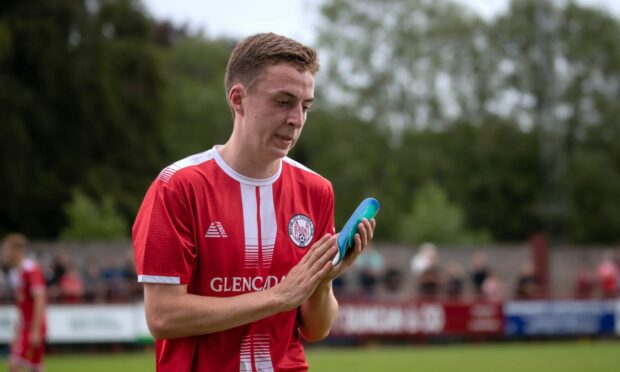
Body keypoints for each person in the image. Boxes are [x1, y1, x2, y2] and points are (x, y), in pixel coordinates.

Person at [132, 33, 376, 371]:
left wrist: (321, 281)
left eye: (305, 106)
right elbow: (162, 315)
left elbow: (317, 329)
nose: (297, 119)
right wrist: (278, 297)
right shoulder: (178, 186)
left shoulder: (316, 190)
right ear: (238, 99)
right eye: (283, 102)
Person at [2, 233, 46, 372]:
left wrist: (36, 329)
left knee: (14, 365)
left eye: (6, 250)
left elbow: (40, 299)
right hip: (24, 327)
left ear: (16, 251)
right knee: (35, 368)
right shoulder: (16, 273)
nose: (4, 254)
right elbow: (22, 306)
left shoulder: (31, 269)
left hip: (33, 326)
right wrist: (16, 332)